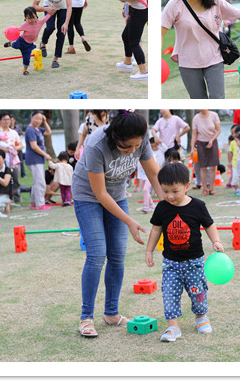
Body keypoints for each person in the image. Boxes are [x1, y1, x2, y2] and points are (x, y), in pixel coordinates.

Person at [71, 111, 164, 338]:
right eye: (126, 147)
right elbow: (100, 193)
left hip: (117, 194)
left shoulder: (140, 138)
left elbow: (153, 173)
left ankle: (111, 313)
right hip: (88, 196)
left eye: (136, 146)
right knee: (97, 254)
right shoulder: (96, 144)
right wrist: (129, 220)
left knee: (118, 255)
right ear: (114, 137)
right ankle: (86, 317)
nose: (132, 151)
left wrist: (167, 204)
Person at [145, 162, 224, 342]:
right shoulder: (162, 207)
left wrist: (216, 241)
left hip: (194, 262)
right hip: (170, 263)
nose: (169, 196)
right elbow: (156, 229)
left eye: (175, 191)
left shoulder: (198, 206)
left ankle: (201, 317)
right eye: (165, 191)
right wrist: (149, 251)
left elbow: (209, 225)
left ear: (187, 186)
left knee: (198, 292)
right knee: (169, 294)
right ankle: (173, 327)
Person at [108, 0, 148, 80]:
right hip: (136, 10)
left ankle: (144, 72)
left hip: (140, 12)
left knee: (134, 42)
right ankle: (127, 63)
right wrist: (129, 13)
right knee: (125, 36)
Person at [34, 0, 72, 69]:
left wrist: (66, 23)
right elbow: (34, 6)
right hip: (48, 6)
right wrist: (46, 9)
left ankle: (55, 59)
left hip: (63, 7)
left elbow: (69, 6)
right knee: (50, 27)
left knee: (62, 32)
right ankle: (43, 43)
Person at [3, 7, 53, 76]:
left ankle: (25, 70)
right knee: (15, 45)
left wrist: (51, 12)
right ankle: (11, 43)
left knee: (26, 58)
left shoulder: (40, 22)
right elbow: (17, 30)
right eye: (29, 18)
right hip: (21, 40)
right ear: (25, 18)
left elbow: (46, 18)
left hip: (29, 44)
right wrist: (9, 32)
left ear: (36, 15)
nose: (32, 20)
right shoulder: (25, 25)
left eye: (33, 17)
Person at [25, 111, 54, 210]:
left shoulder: (37, 129)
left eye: (40, 119)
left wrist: (45, 122)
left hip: (39, 159)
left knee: (36, 181)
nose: (38, 121)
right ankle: (40, 204)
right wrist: (45, 155)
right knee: (40, 182)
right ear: (31, 118)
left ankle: (33, 203)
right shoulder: (30, 130)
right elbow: (34, 146)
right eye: (36, 118)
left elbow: (48, 132)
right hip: (34, 159)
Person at [190, 110, 221, 196]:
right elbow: (194, 134)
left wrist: (212, 140)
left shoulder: (214, 115)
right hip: (201, 143)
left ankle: (211, 188)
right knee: (202, 167)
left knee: (213, 166)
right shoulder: (196, 118)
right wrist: (192, 148)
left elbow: (218, 130)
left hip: (212, 142)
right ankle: (205, 189)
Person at [0, 149, 14, 214]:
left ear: (4, 159)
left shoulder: (7, 170)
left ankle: (7, 204)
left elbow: (5, 183)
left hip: (5, 194)